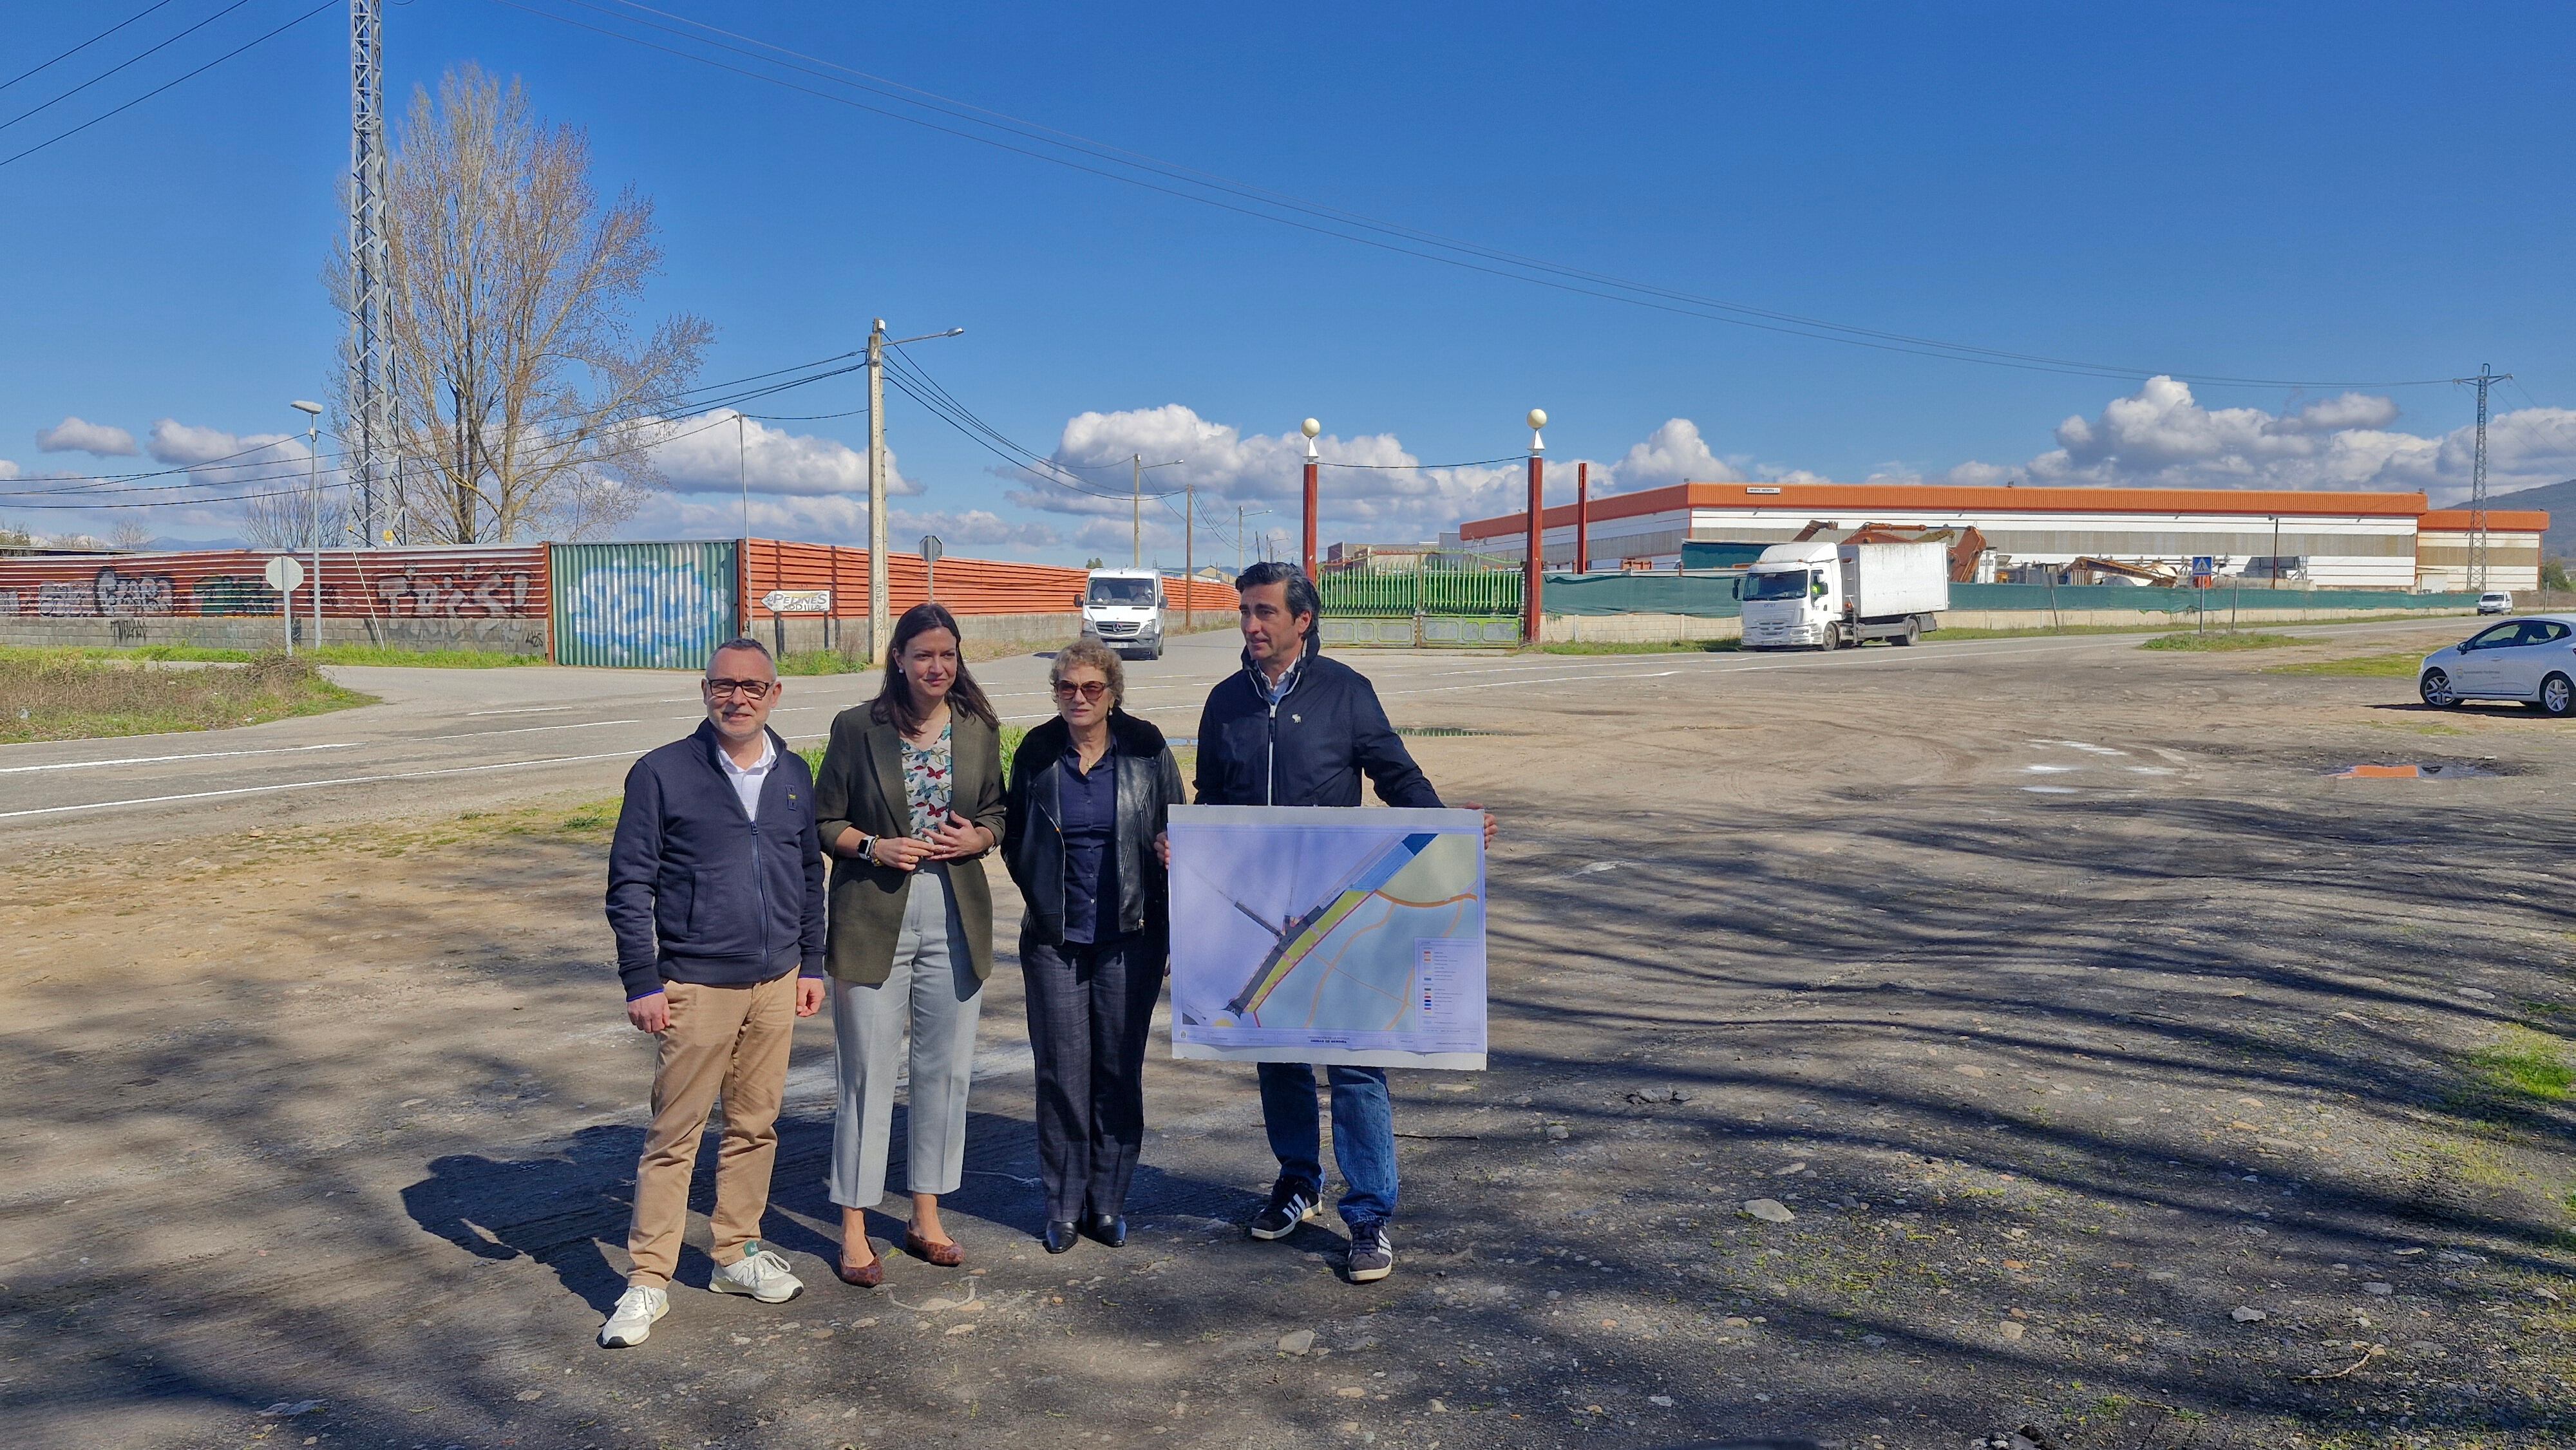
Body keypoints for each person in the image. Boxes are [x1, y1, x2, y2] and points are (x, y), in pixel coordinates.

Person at [1188, 561, 1494, 1285]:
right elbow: (1209, 799)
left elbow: (1397, 775)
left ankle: (1368, 1216)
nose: (1251, 625)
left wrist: (1452, 829)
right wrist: (1189, 843)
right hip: (1260, 919)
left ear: (1303, 620)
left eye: (1264, 612)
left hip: (1329, 910)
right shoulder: (1224, 701)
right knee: (1279, 1056)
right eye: (1244, 612)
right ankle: (1297, 1182)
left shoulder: (1346, 694)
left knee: (1356, 1064)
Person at [598, 637, 828, 1348]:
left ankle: (736, 1253)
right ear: (705, 690)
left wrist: (812, 963)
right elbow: (630, 884)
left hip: (777, 979)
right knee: (675, 1135)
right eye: (724, 685)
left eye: (753, 687)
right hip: (694, 982)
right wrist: (642, 977)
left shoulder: (791, 772)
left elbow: (807, 874)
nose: (738, 697)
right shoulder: (662, 772)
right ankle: (647, 1280)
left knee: (756, 1125)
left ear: (775, 694)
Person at [813, 602, 1009, 1284]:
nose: (936, 666)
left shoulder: (978, 727)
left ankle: (925, 1213)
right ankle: (856, 1225)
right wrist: (872, 844)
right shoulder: (855, 728)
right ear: (897, 656)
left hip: (954, 909)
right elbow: (822, 819)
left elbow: (996, 810)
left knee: (945, 1071)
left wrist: (979, 837)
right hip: (873, 912)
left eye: (948, 655)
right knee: (865, 1074)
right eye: (923, 653)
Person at [1001, 637, 1188, 1254]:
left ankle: (1107, 1204)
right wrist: (1043, 898)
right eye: (1066, 688)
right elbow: (1017, 839)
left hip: (1129, 937)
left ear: (1113, 693)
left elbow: (1176, 839)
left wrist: (1168, 927)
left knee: (1117, 1071)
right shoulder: (1036, 750)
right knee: (1060, 1073)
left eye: (1091, 688)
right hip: (1055, 938)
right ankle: (1061, 1207)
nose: (1078, 698)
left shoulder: (1146, 747)